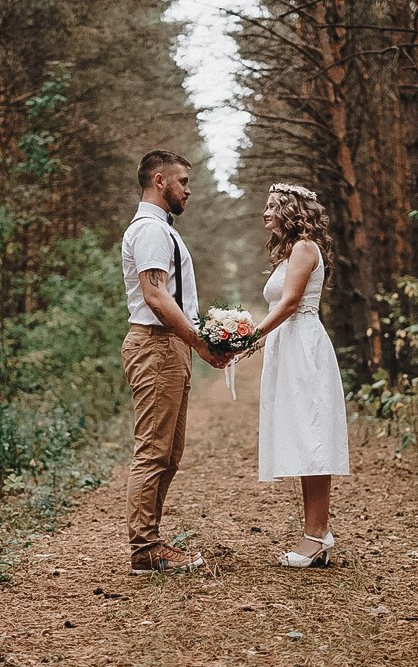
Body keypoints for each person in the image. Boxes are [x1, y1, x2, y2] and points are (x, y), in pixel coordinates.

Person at [120, 149, 231, 575]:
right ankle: (146, 549)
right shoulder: (150, 229)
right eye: (183, 181)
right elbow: (156, 295)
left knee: (169, 452)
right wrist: (200, 344)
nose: (189, 190)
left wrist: (198, 341)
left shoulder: (161, 228)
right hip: (156, 345)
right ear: (160, 180)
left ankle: (150, 543)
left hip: (169, 346)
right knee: (153, 451)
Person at [252, 183, 350, 568]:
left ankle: (317, 534)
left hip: (304, 347)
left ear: (291, 211)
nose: (265, 213)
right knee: (301, 435)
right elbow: (280, 305)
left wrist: (251, 336)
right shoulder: (290, 252)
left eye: (272, 206)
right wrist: (251, 342)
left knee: (312, 437)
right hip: (287, 346)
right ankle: (316, 533)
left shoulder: (305, 248)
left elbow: (291, 302)